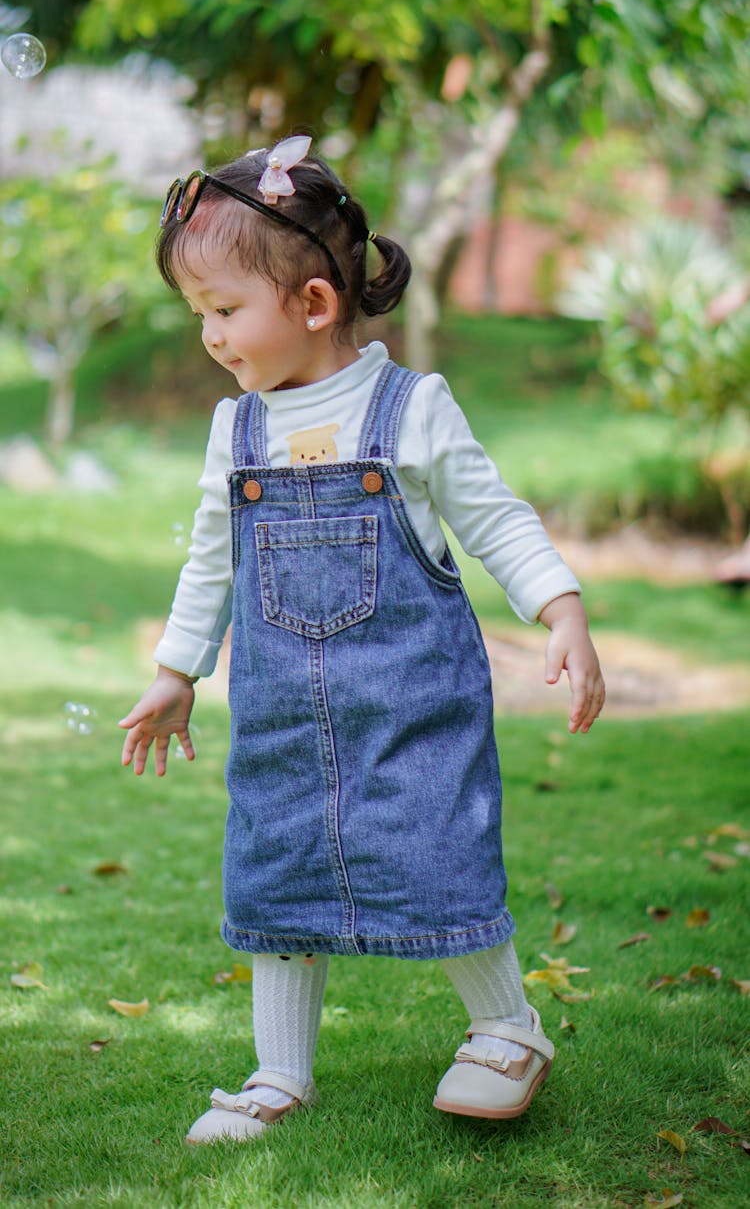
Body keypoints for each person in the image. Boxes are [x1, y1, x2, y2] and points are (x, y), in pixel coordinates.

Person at [119, 135, 605, 1145]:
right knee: (276, 866)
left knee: (436, 854)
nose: (209, 336)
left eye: (221, 310)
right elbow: (212, 561)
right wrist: (175, 672)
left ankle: (510, 1028)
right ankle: (278, 1074)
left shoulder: (410, 409)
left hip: (410, 707)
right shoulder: (235, 429)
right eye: (198, 314)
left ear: (312, 306)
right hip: (283, 714)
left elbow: (495, 518)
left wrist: (560, 607)